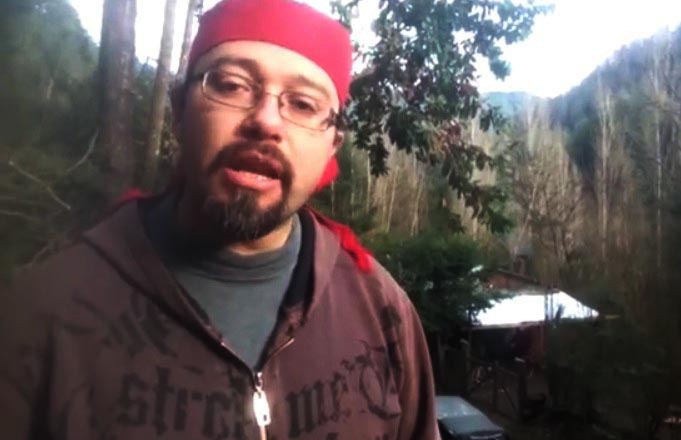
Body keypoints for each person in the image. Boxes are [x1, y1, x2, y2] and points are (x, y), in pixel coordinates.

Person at [0, 0, 440, 438]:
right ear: (180, 109)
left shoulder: (382, 312)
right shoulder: (41, 314)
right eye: (232, 85)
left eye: (303, 104)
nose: (266, 121)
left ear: (333, 145)